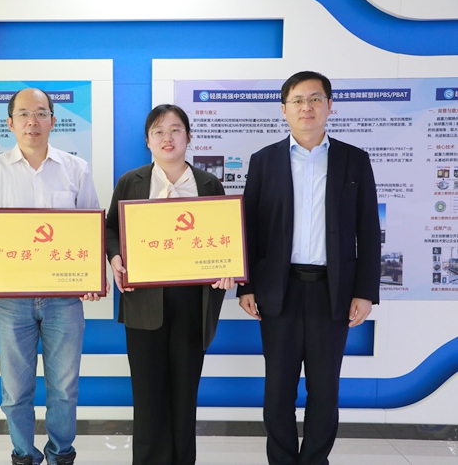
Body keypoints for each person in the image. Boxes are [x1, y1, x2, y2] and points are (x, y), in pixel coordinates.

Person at [237, 71, 381, 465]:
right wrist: (246, 286)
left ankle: (316, 460)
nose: (307, 107)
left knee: (325, 389)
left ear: (330, 106)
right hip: (278, 290)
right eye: (298, 100)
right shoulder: (264, 160)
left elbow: (369, 230)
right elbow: (250, 227)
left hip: (332, 292)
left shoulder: (354, 160)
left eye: (315, 99)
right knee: (278, 390)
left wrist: (365, 291)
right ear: (284, 109)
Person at [0, 88, 106, 465]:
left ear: (53, 121)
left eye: (41, 113)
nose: (33, 121)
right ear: (10, 122)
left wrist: (91, 276)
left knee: (64, 389)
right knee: (15, 391)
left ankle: (61, 454)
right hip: (10, 299)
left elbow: (91, 226)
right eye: (24, 114)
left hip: (64, 299)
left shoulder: (76, 169)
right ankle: (23, 454)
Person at [105, 104, 235, 465]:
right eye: (158, 131)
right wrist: (115, 258)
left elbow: (225, 235)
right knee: (147, 396)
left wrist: (227, 268)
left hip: (193, 303)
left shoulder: (208, 184)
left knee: (184, 393)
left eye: (176, 130)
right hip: (144, 302)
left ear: (188, 137)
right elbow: (111, 228)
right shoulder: (131, 182)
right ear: (147, 140)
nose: (168, 138)